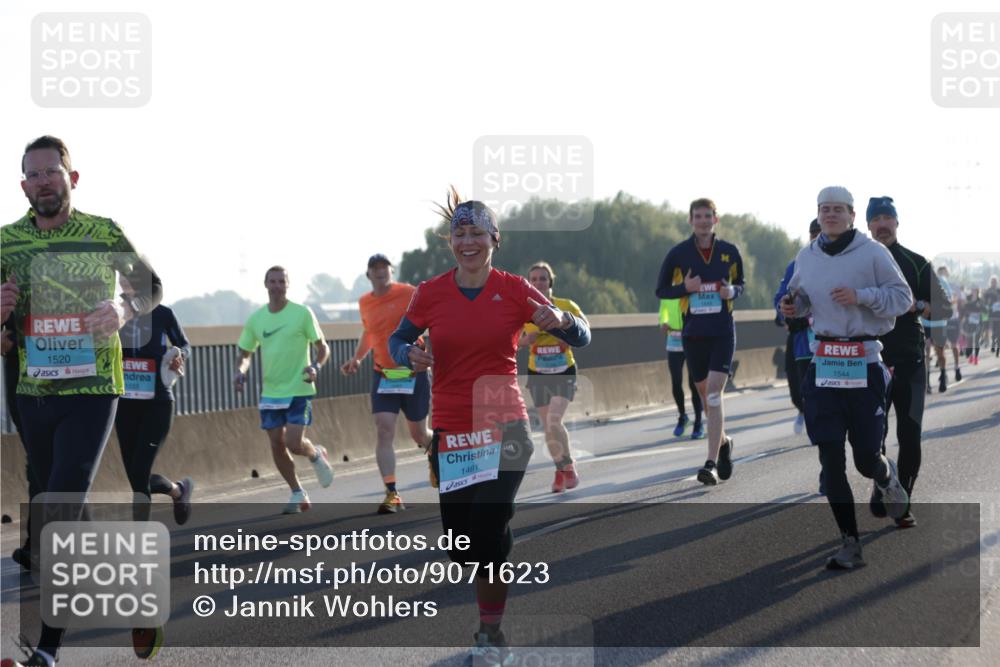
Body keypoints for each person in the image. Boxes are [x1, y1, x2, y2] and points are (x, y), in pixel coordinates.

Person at [388, 189, 590, 665]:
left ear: (495, 239)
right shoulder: (430, 293)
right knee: (463, 548)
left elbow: (581, 334)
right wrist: (407, 354)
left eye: (477, 233)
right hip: (453, 433)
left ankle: (491, 633)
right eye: (459, 233)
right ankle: (498, 540)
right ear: (450, 242)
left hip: (505, 427)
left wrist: (562, 318)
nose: (468, 241)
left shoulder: (515, 289)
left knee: (486, 529)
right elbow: (398, 340)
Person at [2, 136, 163, 666]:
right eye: (34, 174)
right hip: (33, 393)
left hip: (93, 388)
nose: (44, 181)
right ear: (23, 185)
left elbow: (152, 286)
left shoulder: (103, 232)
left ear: (72, 178)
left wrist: (124, 309)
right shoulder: (6, 243)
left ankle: (47, 651)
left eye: (53, 171)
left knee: (60, 508)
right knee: (60, 500)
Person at [781, 186, 912, 570]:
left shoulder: (873, 253)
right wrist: (792, 306)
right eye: (825, 209)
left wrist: (861, 296)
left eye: (838, 209)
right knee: (830, 457)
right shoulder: (807, 256)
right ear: (818, 214)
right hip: (824, 362)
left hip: (864, 360)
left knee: (866, 458)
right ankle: (849, 543)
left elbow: (902, 299)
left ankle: (885, 477)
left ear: (852, 215)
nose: (831, 215)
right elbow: (800, 299)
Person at [866, 196, 948, 528]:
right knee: (873, 437)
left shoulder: (916, 263)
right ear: (868, 225)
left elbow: (944, 308)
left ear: (897, 223)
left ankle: (903, 501)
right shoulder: (859, 262)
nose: (882, 224)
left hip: (910, 360)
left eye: (887, 218)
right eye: (876, 219)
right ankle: (884, 483)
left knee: (910, 434)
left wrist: (918, 306)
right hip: (871, 362)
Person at [655, 198, 745, 485]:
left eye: (708, 216)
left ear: (716, 219)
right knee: (706, 398)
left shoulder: (729, 252)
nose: (703, 221)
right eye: (698, 216)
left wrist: (732, 292)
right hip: (692, 335)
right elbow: (661, 290)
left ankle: (710, 464)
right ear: (691, 220)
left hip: (722, 332)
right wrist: (686, 287)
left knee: (715, 395)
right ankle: (724, 442)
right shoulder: (678, 253)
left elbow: (741, 284)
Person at [235, 266, 334, 514]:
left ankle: (315, 454)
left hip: (299, 388)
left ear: (287, 285)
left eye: (281, 281)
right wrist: (241, 371)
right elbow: (245, 353)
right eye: (273, 281)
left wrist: (315, 366)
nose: (277, 286)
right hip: (271, 393)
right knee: (276, 445)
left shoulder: (302, 313)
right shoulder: (257, 319)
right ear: (265, 284)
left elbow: (323, 347)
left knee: (293, 443)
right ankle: (297, 492)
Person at [340, 253, 432, 514]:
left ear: (392, 271)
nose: (380, 272)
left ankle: (435, 453)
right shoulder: (365, 302)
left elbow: (428, 322)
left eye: (384, 268)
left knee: (419, 434)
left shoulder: (409, 293)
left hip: (412, 372)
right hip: (385, 374)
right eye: (375, 268)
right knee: (384, 430)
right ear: (368, 275)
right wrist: (357, 358)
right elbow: (370, 332)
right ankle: (392, 492)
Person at [115, 276, 194, 524]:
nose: (126, 279)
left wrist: (179, 356)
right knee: (136, 477)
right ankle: (178, 491)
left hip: (157, 403)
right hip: (124, 405)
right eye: (122, 275)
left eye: (132, 274)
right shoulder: (113, 313)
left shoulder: (163, 314)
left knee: (139, 473)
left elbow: (184, 345)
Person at [518, 261, 589, 492]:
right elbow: (510, 342)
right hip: (537, 372)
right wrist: (525, 340)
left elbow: (585, 329)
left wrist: (567, 335)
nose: (538, 283)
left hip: (563, 370)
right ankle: (561, 469)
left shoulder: (566, 305)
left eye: (543, 279)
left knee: (553, 421)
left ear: (551, 282)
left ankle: (568, 466)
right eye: (534, 279)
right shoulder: (523, 309)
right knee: (548, 427)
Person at [774, 218, 821, 437]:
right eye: (814, 235)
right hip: (802, 339)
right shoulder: (797, 264)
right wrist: (783, 309)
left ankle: (822, 430)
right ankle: (803, 409)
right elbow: (780, 298)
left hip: (833, 341)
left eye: (821, 234)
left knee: (824, 391)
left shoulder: (845, 262)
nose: (817, 238)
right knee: (798, 391)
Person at [659, 296, 703, 439]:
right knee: (676, 382)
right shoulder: (668, 291)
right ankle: (683, 416)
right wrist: (663, 322)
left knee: (693, 383)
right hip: (673, 340)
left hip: (691, 339)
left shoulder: (688, 290)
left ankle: (698, 422)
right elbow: (663, 311)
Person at [922, 264, 959, 392]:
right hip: (925, 322)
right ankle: (927, 382)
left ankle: (943, 375)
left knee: (940, 352)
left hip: (939, 323)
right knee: (926, 351)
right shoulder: (920, 280)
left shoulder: (942, 281)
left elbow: (950, 299)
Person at [961, 287, 984, 364]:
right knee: (970, 341)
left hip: (978, 323)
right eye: (973, 291)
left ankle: (976, 358)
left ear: (978, 292)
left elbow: (984, 310)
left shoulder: (980, 301)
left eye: (975, 292)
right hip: (970, 323)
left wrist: (979, 310)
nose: (974, 293)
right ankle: (971, 356)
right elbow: (964, 309)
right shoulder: (968, 300)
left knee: (976, 341)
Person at [985, 275, 1000, 357]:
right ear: (990, 282)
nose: (993, 283)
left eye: (995, 282)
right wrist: (987, 304)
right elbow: (984, 301)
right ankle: (993, 343)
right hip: (991, 314)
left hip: (999, 313)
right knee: (993, 330)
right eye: (992, 282)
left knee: (998, 331)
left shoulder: (999, 290)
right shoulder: (988, 291)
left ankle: (998, 347)